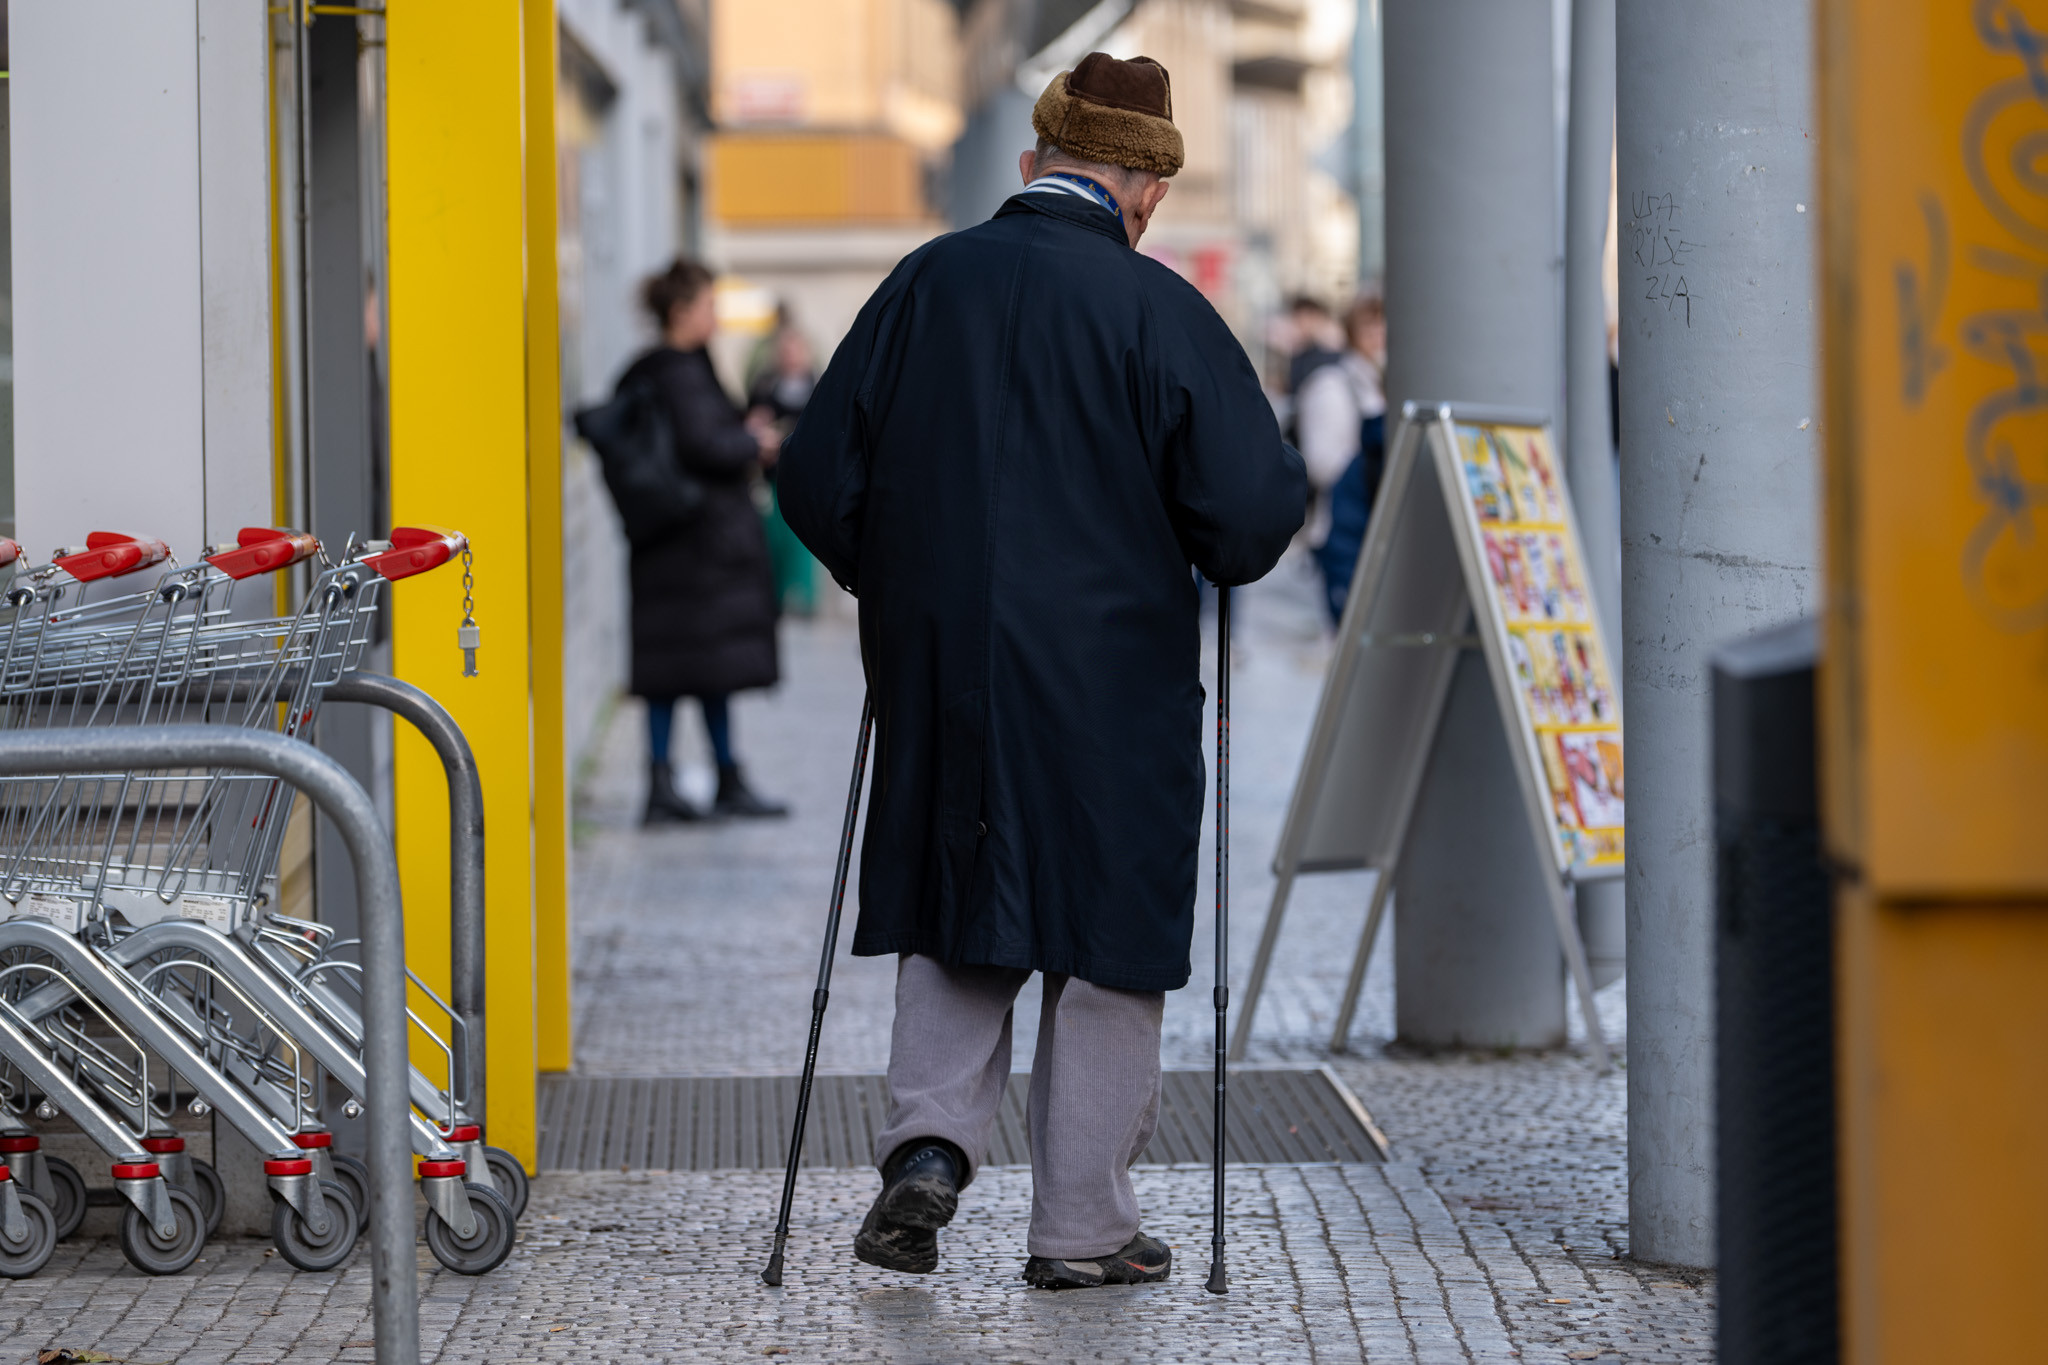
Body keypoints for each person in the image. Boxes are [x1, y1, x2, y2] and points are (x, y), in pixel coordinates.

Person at [780, 52, 1304, 1291]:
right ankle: (1082, 1229)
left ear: (1032, 168)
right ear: (1147, 190)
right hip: (1110, 681)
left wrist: (899, 581)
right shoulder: (1162, 311)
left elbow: (808, 476)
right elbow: (1245, 518)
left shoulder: (922, 284)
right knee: (1108, 934)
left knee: (961, 904)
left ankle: (926, 1152)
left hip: (941, 665)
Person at [616, 259, 789, 824]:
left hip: (676, 544)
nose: (715, 316)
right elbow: (704, 445)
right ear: (681, 312)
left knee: (693, 666)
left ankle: (698, 778)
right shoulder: (677, 372)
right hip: (693, 547)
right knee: (685, 668)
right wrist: (751, 442)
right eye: (709, 306)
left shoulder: (663, 369)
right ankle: (689, 782)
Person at [1295, 293, 1388, 624]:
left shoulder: (1390, 383)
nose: (1379, 334)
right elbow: (1322, 465)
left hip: (1385, 525)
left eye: (1384, 325)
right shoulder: (1332, 385)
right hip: (1345, 530)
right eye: (1370, 326)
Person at [748, 323, 823, 616]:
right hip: (773, 475)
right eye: (786, 350)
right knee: (775, 537)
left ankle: (804, 598)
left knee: (803, 541)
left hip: (806, 477)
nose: (791, 356)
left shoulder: (819, 385)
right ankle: (776, 595)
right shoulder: (766, 387)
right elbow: (753, 418)